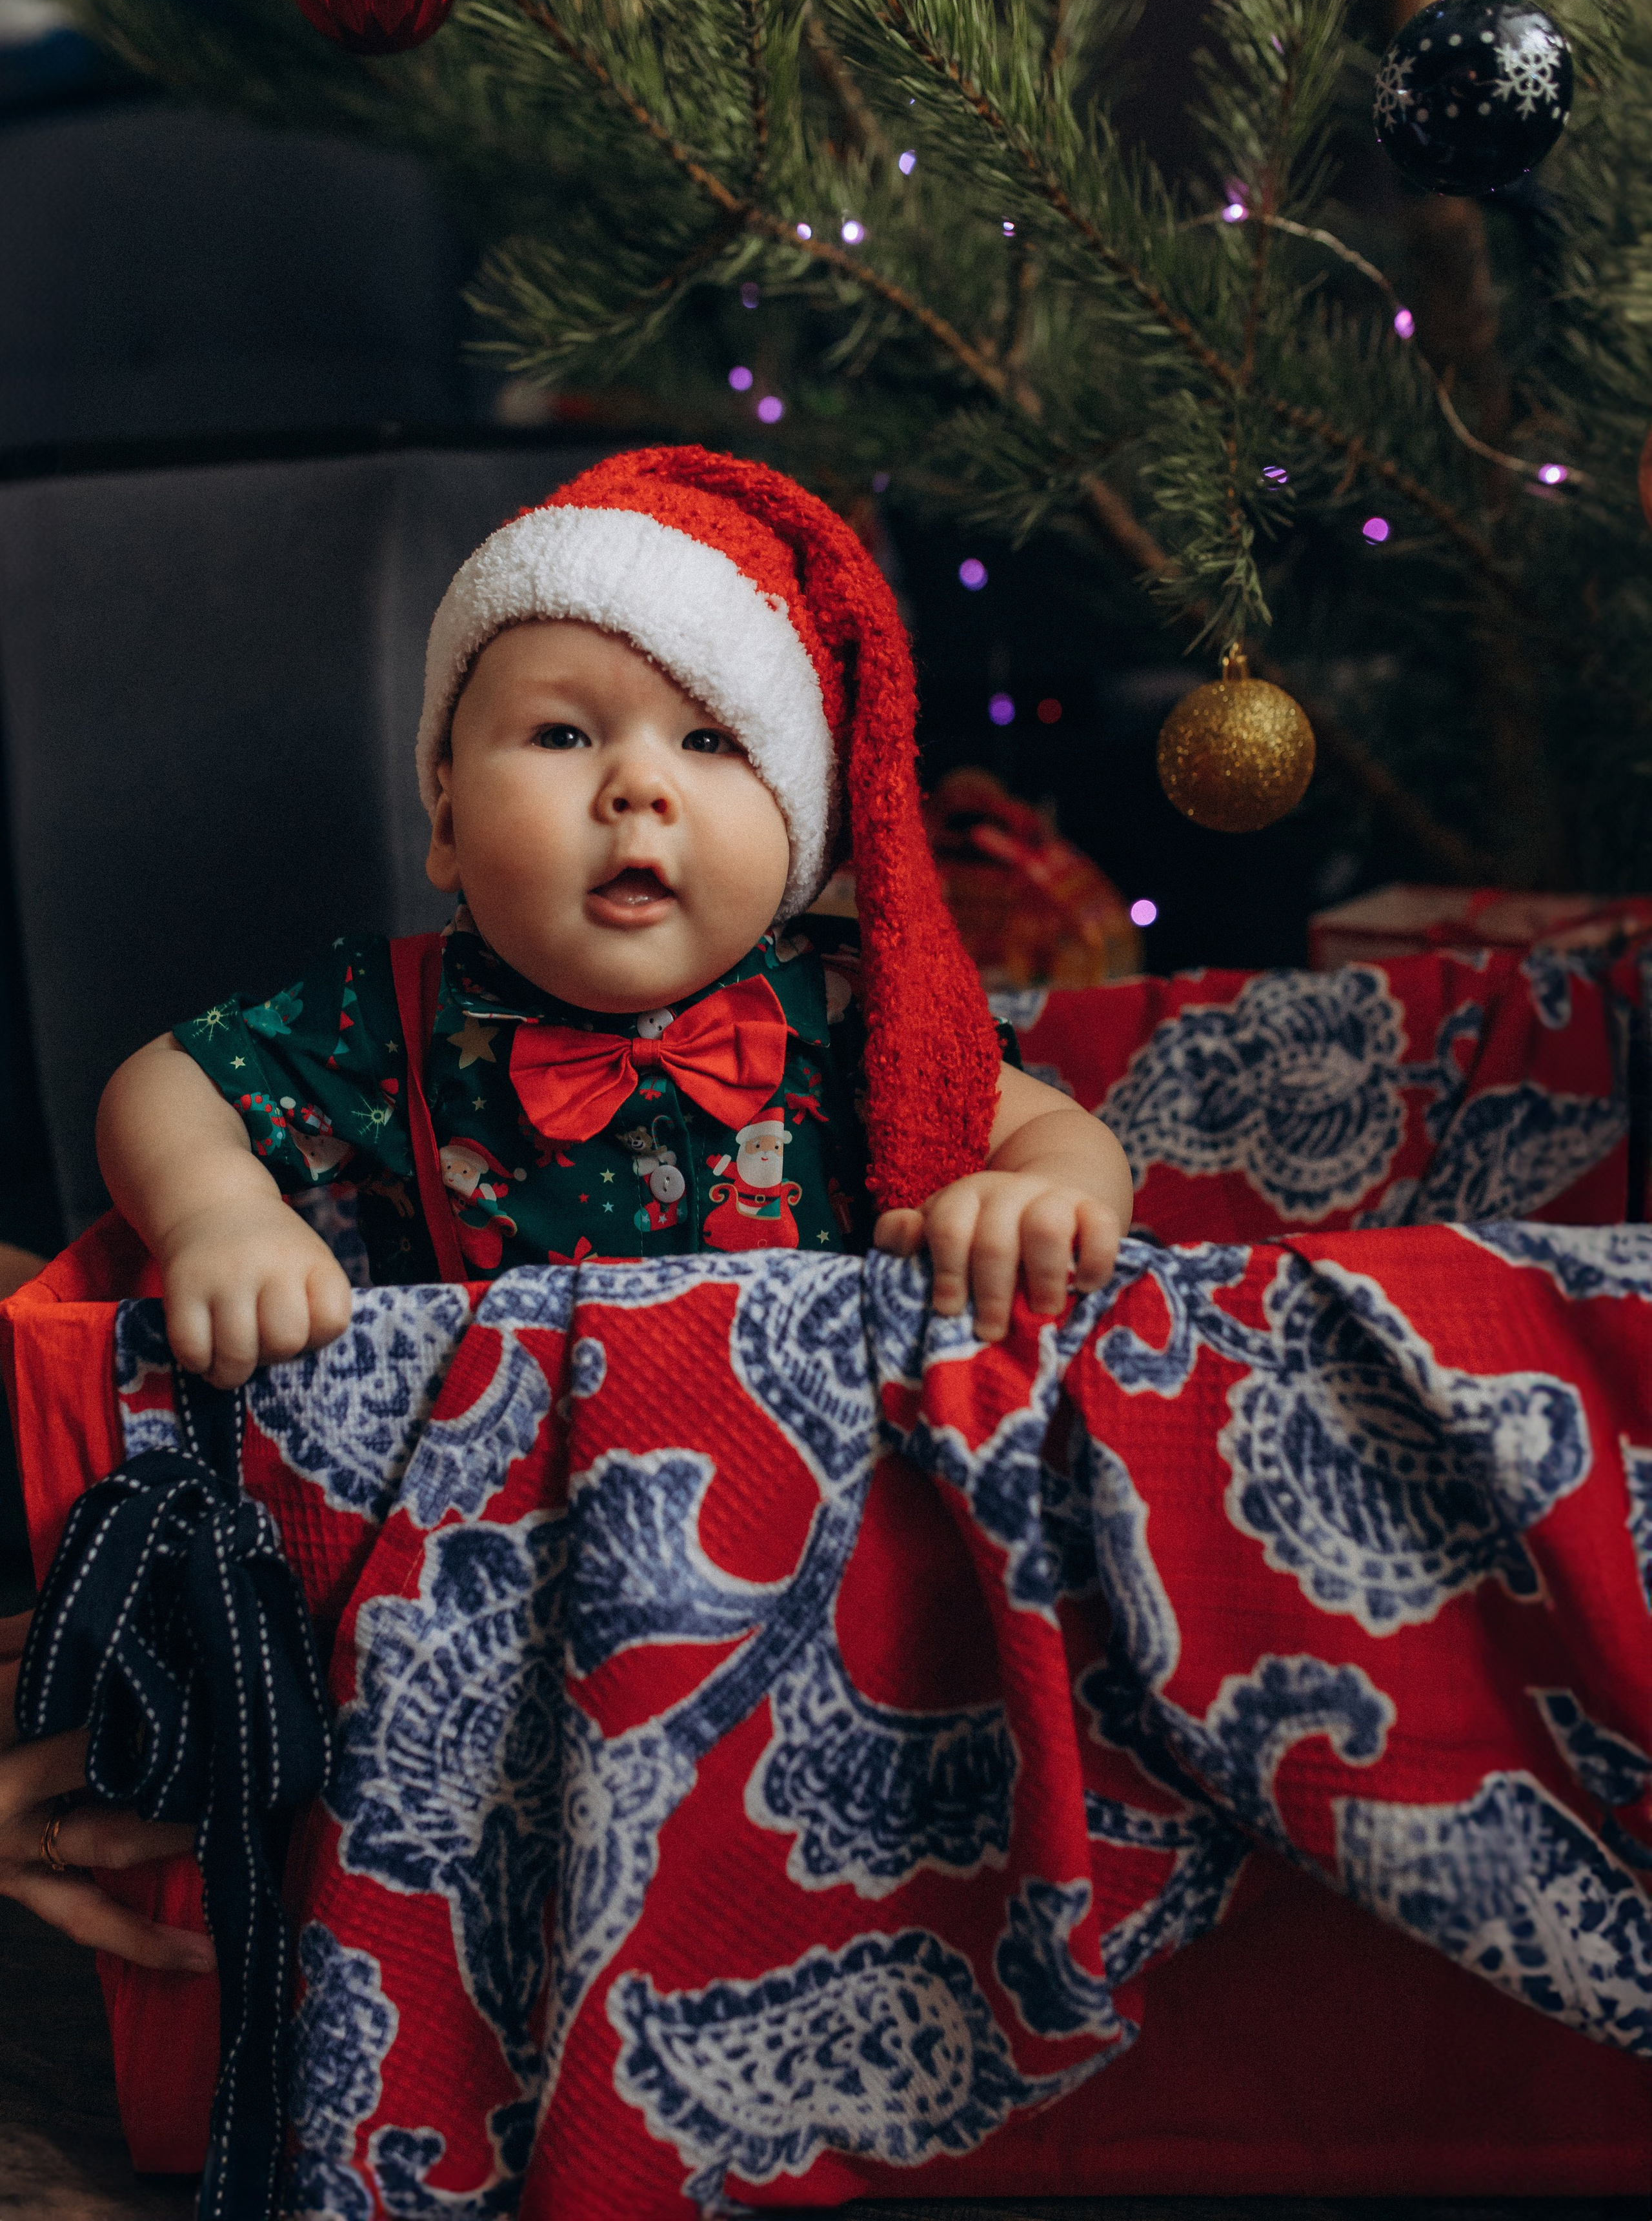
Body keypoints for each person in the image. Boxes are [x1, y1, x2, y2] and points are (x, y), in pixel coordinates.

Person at [3, 445, 1132, 1961]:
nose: (637, 786)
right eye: (559, 732)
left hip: (831, 1554)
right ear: (444, 815)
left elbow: (1056, 1132)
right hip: (494, 1573)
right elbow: (167, 1081)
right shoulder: (392, 1011)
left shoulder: (856, 1009)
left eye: (712, 741)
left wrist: (1034, 1201)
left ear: (804, 836)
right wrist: (221, 1215)